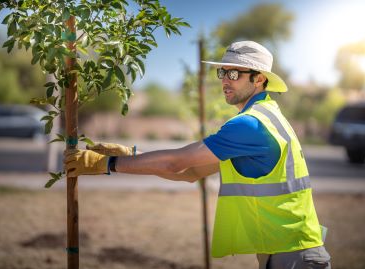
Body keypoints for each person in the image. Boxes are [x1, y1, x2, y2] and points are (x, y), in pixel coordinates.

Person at [64, 40, 331, 269]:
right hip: (290, 251)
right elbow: (190, 172)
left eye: (234, 74)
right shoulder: (267, 116)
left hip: (295, 257)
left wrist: (108, 164)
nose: (225, 81)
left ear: (259, 78)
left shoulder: (250, 125)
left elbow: (177, 161)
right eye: (223, 73)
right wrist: (131, 153)